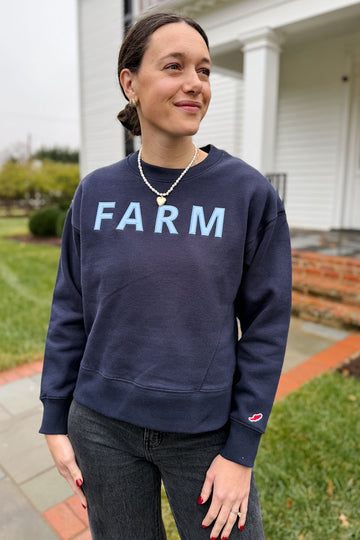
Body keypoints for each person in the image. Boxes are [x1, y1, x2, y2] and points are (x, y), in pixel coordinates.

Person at [40, 12, 292, 540]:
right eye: (174, 66)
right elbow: (69, 309)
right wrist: (55, 419)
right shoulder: (95, 193)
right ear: (130, 83)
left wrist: (241, 451)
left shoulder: (247, 195)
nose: (194, 83)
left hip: (205, 435)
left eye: (203, 70)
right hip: (101, 427)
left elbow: (267, 329)